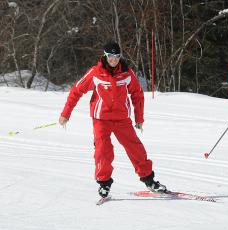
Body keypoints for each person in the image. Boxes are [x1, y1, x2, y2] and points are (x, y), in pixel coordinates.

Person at [59, 41, 166, 198]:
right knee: (103, 150)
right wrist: (65, 114)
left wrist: (139, 118)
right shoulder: (95, 72)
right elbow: (76, 90)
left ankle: (149, 180)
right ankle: (104, 184)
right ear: (105, 56)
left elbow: (137, 94)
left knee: (135, 148)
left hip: (121, 118)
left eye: (116, 56)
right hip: (101, 119)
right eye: (110, 56)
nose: (114, 60)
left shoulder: (126, 73)